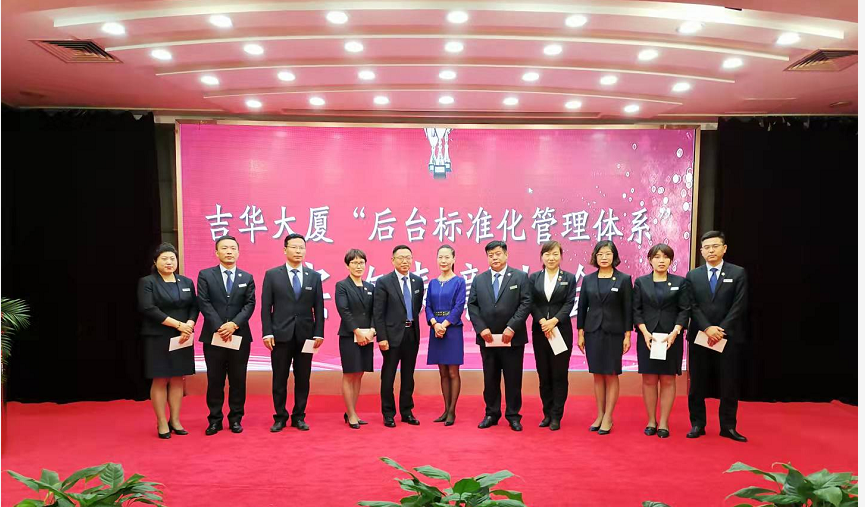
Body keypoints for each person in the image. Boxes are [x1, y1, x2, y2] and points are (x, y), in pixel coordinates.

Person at [685, 231, 749, 442]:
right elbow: (691, 305)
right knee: (697, 383)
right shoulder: (693, 275)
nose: (711, 250)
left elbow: (739, 305)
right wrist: (707, 328)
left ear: (724, 248)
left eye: (715, 246)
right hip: (700, 335)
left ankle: (728, 427)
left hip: (727, 337)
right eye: (707, 247)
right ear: (701, 251)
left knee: (729, 382)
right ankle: (697, 424)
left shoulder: (738, 273)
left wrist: (721, 329)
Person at [261, 233, 325, 432]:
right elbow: (266, 307)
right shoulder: (272, 275)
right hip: (280, 335)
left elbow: (318, 307)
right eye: (294, 247)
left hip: (306, 335)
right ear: (285, 250)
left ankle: (299, 416)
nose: (298, 251)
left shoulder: (314, 276)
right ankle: (280, 416)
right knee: (279, 378)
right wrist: (267, 332)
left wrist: (319, 333)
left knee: (303, 377)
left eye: (302, 247)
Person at [467, 240, 532, 432]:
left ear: (506, 255)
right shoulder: (479, 280)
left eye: (498, 254)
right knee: (490, 379)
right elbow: (472, 306)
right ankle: (491, 414)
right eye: (490, 255)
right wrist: (482, 329)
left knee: (513, 379)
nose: (494, 258)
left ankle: (513, 415)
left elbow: (526, 303)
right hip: (488, 339)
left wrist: (512, 327)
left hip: (512, 338)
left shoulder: (520, 277)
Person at [136, 242, 198, 439]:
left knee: (178, 378)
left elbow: (194, 306)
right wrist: (178, 325)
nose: (169, 262)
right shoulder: (148, 282)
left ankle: (176, 420)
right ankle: (162, 421)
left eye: (172, 258)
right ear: (156, 262)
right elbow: (148, 308)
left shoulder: (186, 282)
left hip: (182, 336)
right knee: (161, 378)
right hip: (158, 336)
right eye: (164, 258)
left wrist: (189, 324)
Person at [196, 235, 256, 436]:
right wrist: (220, 326)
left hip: (240, 337)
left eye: (232, 248)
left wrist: (234, 324)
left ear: (238, 252)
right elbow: (204, 302)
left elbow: (250, 304)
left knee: (238, 380)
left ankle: (236, 418)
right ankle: (215, 420)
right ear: (217, 252)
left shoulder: (247, 277)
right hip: (214, 336)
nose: (229, 251)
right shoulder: (206, 275)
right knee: (215, 380)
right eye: (224, 248)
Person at [632, 243, 689, 439]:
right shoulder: (641, 282)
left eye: (665, 257)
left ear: (671, 260)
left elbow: (684, 310)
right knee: (649, 379)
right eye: (657, 257)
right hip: (647, 336)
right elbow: (636, 310)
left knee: (667, 379)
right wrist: (644, 331)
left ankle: (664, 422)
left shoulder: (680, 282)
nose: (661, 261)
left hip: (671, 337)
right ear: (650, 260)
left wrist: (675, 332)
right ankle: (651, 420)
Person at [577, 240, 632, 436]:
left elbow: (628, 309)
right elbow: (582, 307)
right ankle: (599, 414)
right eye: (600, 254)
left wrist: (627, 335)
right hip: (592, 331)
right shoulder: (588, 279)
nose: (604, 257)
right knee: (597, 374)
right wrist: (580, 332)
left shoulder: (624, 279)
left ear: (614, 256)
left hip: (614, 333)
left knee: (611, 373)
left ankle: (609, 416)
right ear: (595, 257)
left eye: (608, 253)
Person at [373, 245, 425, 427]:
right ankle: (388, 413)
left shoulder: (418, 281)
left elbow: (416, 307)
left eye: (408, 257)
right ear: (393, 260)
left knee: (408, 376)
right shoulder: (384, 282)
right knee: (388, 376)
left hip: (412, 334)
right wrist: (382, 337)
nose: (405, 261)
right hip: (391, 336)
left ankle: (407, 411)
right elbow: (378, 313)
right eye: (401, 258)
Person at [528, 241, 577, 431]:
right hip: (540, 331)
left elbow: (569, 303)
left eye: (555, 254)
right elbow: (531, 302)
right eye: (547, 254)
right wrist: (543, 321)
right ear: (542, 257)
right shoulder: (534, 278)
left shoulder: (569, 278)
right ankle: (547, 413)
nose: (551, 258)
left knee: (559, 374)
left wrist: (554, 321)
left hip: (561, 331)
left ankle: (557, 415)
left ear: (561, 256)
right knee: (544, 374)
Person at [334, 249, 377, 429]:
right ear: (347, 265)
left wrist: (372, 330)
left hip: (368, 336)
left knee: (359, 373)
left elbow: (376, 311)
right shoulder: (342, 285)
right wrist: (357, 332)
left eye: (361, 263)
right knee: (349, 373)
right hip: (349, 335)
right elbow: (344, 310)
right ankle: (350, 413)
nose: (358, 266)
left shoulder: (370, 287)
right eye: (354, 263)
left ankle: (353, 411)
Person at [425, 245, 467, 426]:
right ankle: (445, 409)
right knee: (442, 372)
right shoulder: (433, 283)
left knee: (452, 372)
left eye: (447, 257)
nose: (443, 261)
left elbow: (459, 306)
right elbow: (428, 306)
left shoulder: (459, 282)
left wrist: (445, 324)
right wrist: (435, 323)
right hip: (436, 330)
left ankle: (452, 411)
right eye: (440, 257)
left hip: (452, 330)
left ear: (454, 259)